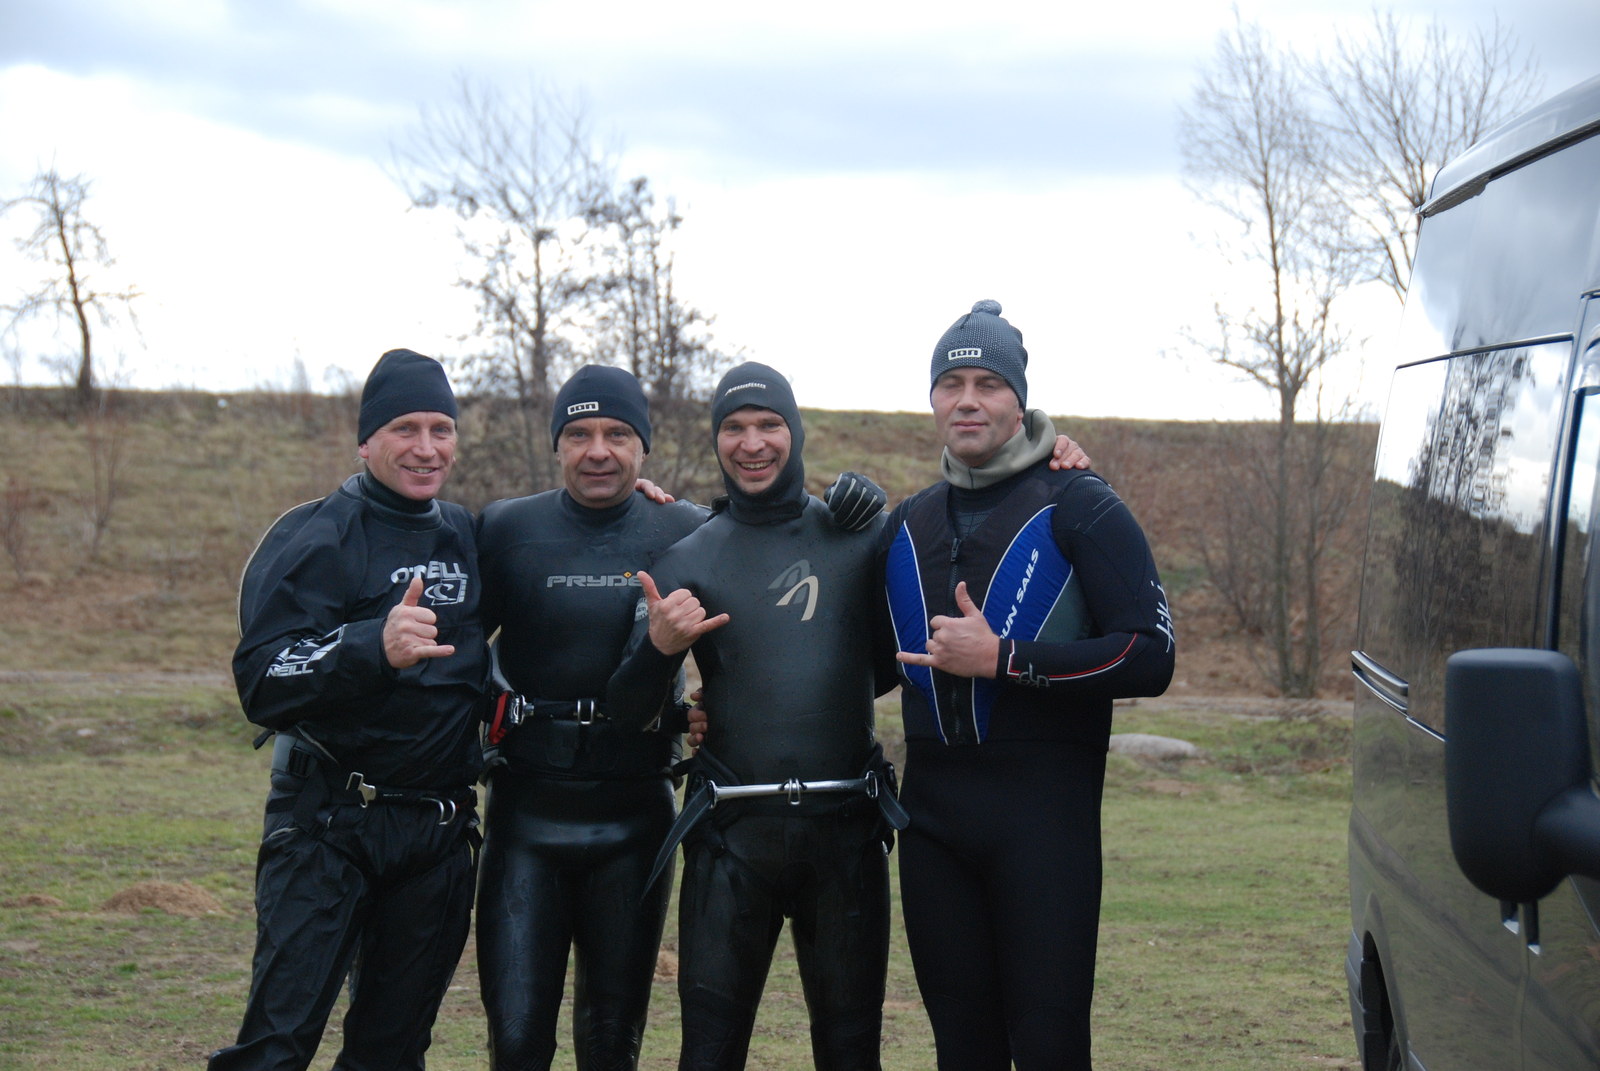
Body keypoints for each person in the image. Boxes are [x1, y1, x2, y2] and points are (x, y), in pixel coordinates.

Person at [882, 300, 1176, 1070]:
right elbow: (861, 661)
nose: (968, 399)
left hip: (1044, 825)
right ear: (932, 399)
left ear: (1020, 400)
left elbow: (1151, 655)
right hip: (932, 830)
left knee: (1048, 1046)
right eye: (951, 384)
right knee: (962, 1051)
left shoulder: (1080, 503)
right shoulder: (907, 522)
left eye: (988, 383)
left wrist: (1005, 658)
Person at [605, 363, 903, 1071]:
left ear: (794, 431)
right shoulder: (688, 556)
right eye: (733, 428)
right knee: (708, 1054)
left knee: (853, 1052)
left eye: (769, 424)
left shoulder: (858, 536)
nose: (752, 442)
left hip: (846, 834)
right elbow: (626, 711)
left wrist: (885, 517)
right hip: (731, 841)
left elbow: (885, 667)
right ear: (716, 440)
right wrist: (658, 650)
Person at [211, 348, 488, 1071]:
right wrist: (371, 645)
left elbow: (566, 551)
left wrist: (642, 503)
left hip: (434, 836)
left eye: (441, 429)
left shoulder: (466, 534)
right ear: (366, 440)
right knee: (277, 1046)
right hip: (327, 825)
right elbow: (260, 679)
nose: (425, 448)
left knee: (391, 1054)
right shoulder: (319, 534)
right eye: (404, 429)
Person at [473, 365, 710, 1070]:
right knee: (518, 1042)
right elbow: (453, 650)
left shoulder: (687, 529)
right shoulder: (506, 528)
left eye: (617, 434)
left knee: (612, 1045)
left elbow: (756, 621)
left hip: (635, 817)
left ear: (643, 446)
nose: (598, 450)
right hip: (525, 813)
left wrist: (714, 712)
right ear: (556, 445)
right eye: (578, 434)